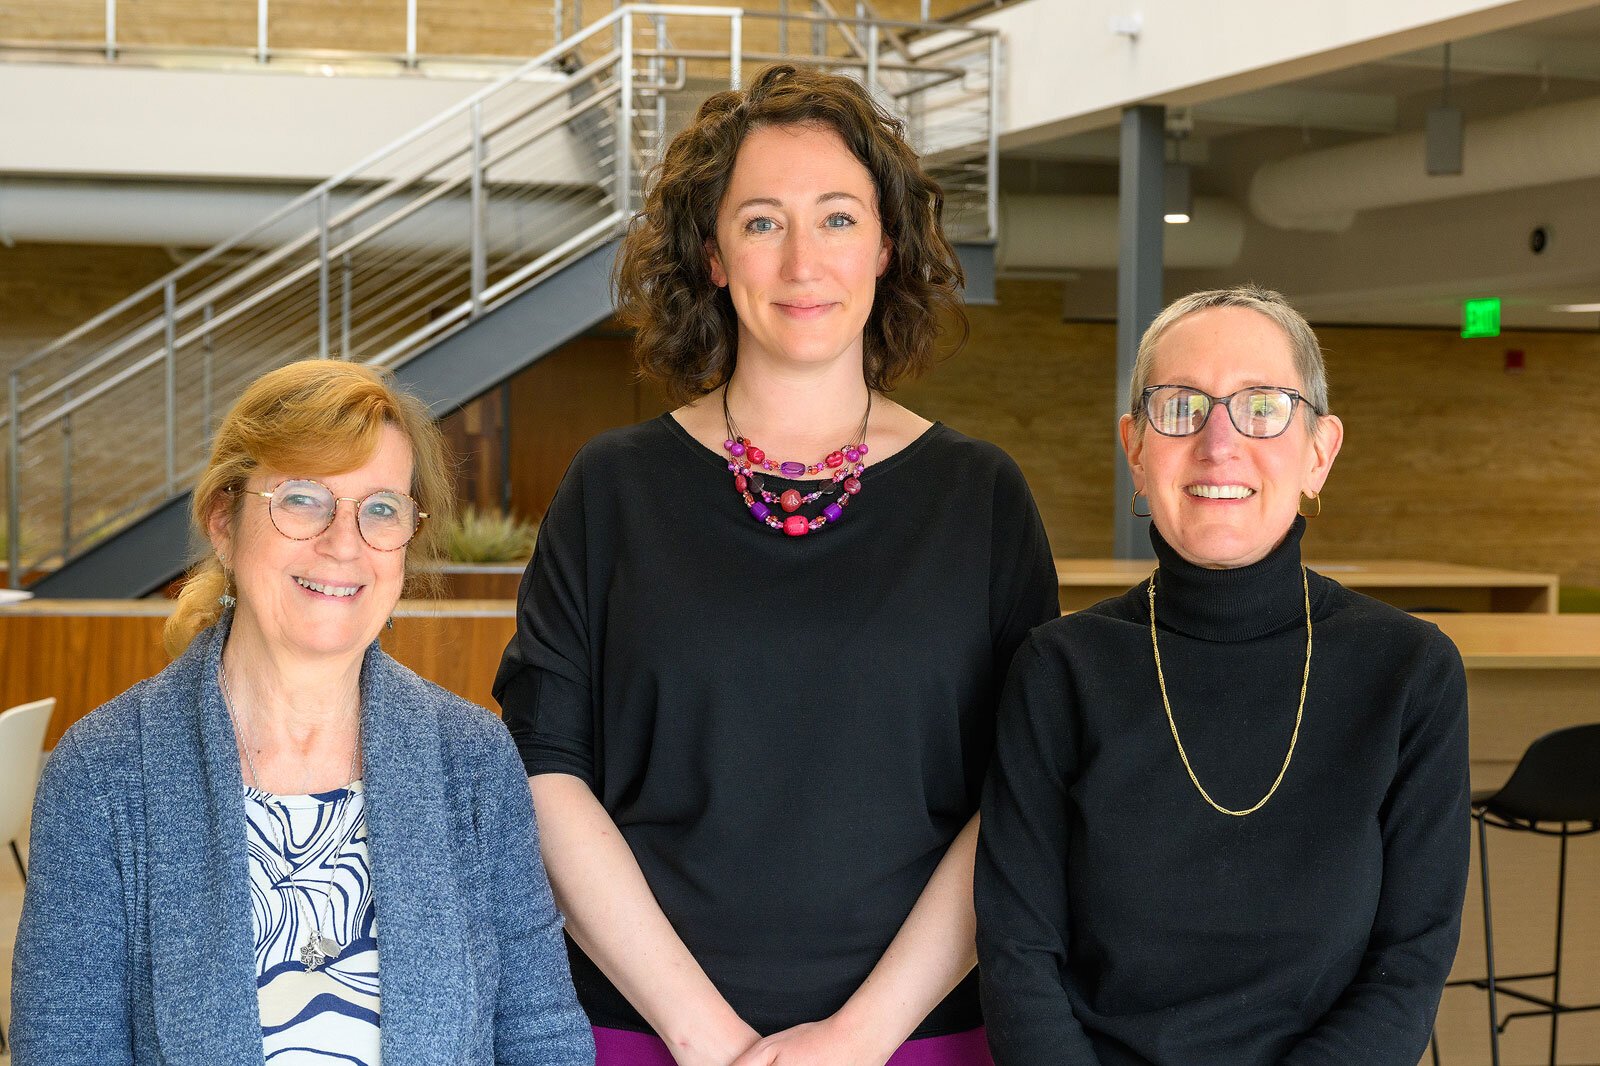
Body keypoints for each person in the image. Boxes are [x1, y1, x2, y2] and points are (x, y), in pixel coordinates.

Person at [494, 64, 1059, 1066]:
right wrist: (705, 1037)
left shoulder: (979, 499)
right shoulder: (612, 489)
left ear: (887, 244)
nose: (802, 260)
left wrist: (855, 1039)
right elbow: (546, 772)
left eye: (837, 218)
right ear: (712, 255)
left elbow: (1018, 797)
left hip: (915, 1040)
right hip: (637, 1030)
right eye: (761, 222)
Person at [11, 360, 593, 1066]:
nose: (343, 543)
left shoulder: (470, 759)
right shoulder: (104, 773)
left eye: (381, 508)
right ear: (224, 521)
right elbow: (65, 1049)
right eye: (303, 499)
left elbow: (541, 1036)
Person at [974, 285, 1471, 1065]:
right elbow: (1017, 956)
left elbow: (1408, 967)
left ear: (1320, 451)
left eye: (1263, 406)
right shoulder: (1060, 669)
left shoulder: (1410, 672)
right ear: (1135, 450)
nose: (1219, 442)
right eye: (1180, 407)